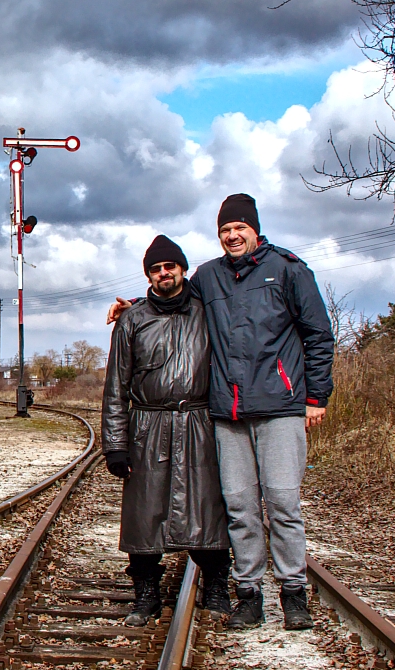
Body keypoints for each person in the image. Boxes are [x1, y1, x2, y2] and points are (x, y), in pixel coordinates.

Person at [108, 194, 335, 631]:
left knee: (283, 502)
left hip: (279, 405)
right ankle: (248, 594)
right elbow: (169, 300)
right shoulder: (210, 276)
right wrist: (134, 305)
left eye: (239, 229)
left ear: (254, 230)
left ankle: (294, 594)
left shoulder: (289, 270)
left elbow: (318, 335)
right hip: (229, 414)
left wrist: (316, 397)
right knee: (239, 507)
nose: (232, 236)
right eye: (224, 230)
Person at [101, 235, 233, 625]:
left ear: (182, 269)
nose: (163, 275)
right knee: (144, 514)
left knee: (208, 509)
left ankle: (216, 588)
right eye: (155, 270)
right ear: (149, 276)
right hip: (148, 426)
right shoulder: (132, 321)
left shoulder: (208, 311)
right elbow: (115, 387)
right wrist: (115, 445)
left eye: (169, 267)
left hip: (199, 423)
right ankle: (145, 595)